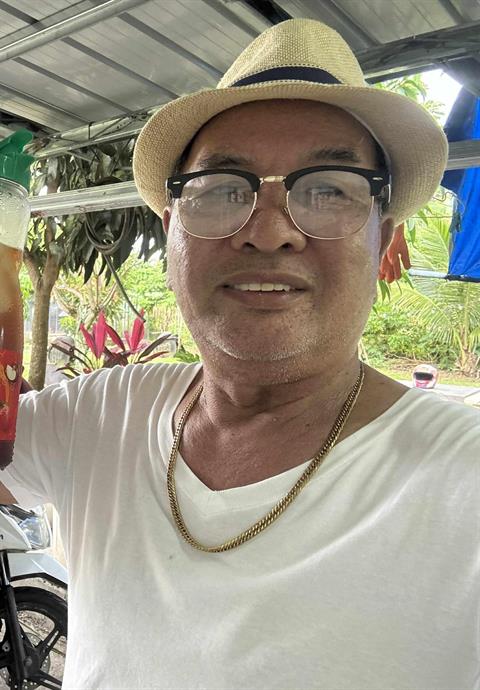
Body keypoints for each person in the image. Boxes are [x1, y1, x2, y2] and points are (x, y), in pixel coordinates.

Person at [0, 18, 478, 690]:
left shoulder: (463, 480)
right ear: (171, 232)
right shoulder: (100, 416)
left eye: (329, 188)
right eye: (224, 188)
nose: (270, 231)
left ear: (385, 242)